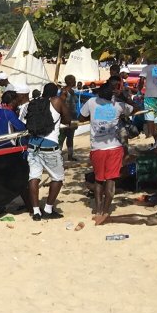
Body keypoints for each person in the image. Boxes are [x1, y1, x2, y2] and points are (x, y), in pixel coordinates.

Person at [80, 80, 134, 224]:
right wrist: (125, 96)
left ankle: (97, 210)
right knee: (111, 180)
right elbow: (135, 108)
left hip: (97, 148)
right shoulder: (118, 105)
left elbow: (81, 116)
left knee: (99, 180)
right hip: (114, 147)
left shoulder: (92, 102)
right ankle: (105, 211)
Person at [24, 83, 70, 220]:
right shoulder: (57, 101)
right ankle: (48, 209)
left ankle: (36, 211)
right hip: (50, 146)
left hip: (33, 145)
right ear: (55, 92)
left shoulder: (34, 103)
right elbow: (67, 119)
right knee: (58, 177)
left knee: (34, 177)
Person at [61, 75, 80, 161]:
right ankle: (58, 155)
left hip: (73, 117)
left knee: (70, 137)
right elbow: (62, 104)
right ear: (71, 82)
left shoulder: (72, 91)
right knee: (61, 137)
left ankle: (70, 155)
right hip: (65, 118)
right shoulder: (64, 91)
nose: (75, 82)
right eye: (74, 80)